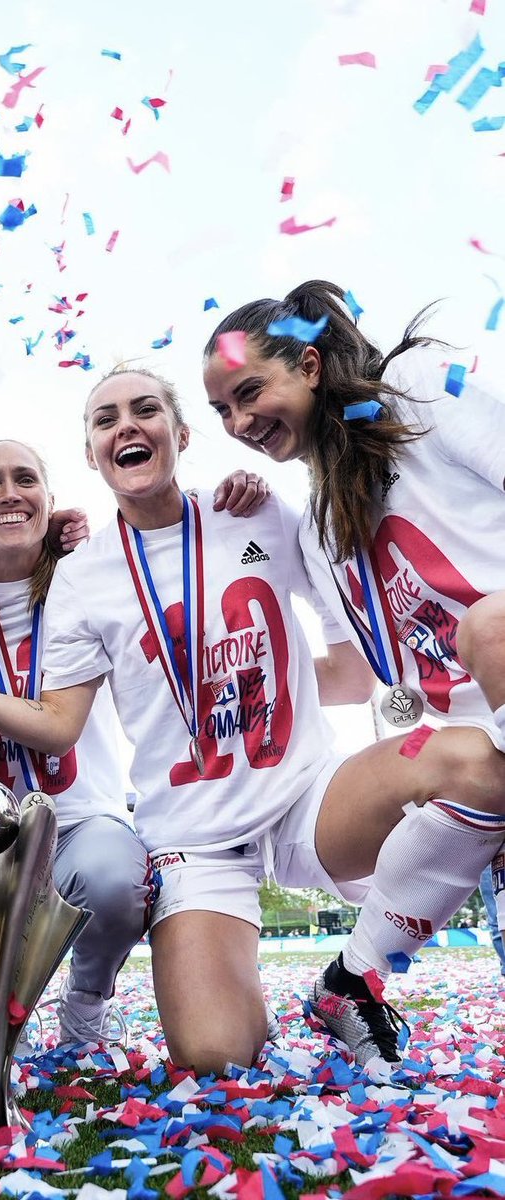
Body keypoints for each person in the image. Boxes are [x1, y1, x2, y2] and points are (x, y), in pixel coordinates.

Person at [0, 367, 505, 1077]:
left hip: (305, 796)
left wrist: (255, 671)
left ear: (179, 435)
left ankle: (353, 976)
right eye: (104, 419)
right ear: (90, 456)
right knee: (216, 1053)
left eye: (145, 409)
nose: (126, 426)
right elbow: (59, 723)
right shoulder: (81, 576)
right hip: (192, 837)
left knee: (474, 764)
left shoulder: (258, 512)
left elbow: (347, 670)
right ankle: (225, 985)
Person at [203, 282, 505, 1069]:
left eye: (247, 394)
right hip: (477, 750)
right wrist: (210, 674)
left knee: (492, 626)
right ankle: (350, 980)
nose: (237, 424)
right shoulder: (314, 524)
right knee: (472, 761)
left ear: (307, 365)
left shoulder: (417, 391)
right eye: (220, 413)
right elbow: (343, 674)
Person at [0, 439, 155, 1046]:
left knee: (116, 882)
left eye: (25, 480)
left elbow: (152, 535)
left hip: (82, 817)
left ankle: (87, 999)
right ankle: (0, 1012)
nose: (9, 494)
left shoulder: (86, 578)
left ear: (52, 500)